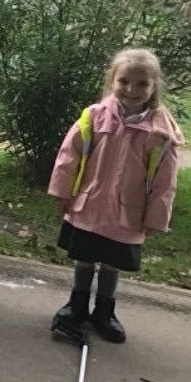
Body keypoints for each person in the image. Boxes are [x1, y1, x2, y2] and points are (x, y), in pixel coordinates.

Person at [48, 48, 182, 343]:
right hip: (90, 203)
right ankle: (77, 305)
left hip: (127, 213)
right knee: (84, 257)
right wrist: (62, 192)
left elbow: (164, 181)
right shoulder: (94, 117)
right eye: (124, 81)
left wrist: (156, 217)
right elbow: (69, 156)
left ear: (154, 86)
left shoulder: (160, 134)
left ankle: (104, 311)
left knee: (111, 262)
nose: (131, 90)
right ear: (112, 80)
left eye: (142, 84)